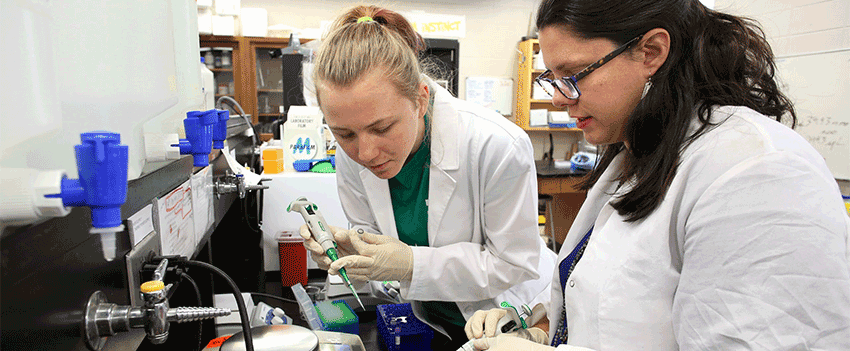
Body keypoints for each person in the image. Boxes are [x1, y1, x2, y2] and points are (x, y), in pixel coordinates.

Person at [465, 0, 850, 350]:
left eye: (574, 73)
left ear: (651, 52)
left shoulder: (759, 173)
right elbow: (621, 301)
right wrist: (538, 324)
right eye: (552, 77)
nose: (559, 98)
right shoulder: (642, 151)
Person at [299, 5, 557, 349]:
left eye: (382, 128)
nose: (365, 153)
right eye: (344, 134)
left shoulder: (496, 144)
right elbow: (385, 270)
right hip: (433, 322)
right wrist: (358, 254)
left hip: (512, 319)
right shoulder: (353, 159)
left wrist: (410, 263)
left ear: (420, 100)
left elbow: (511, 264)